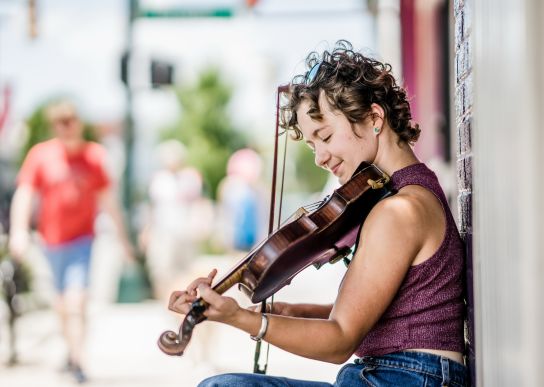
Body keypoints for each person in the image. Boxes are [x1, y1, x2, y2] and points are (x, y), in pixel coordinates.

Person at [167, 41, 467, 387]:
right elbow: (351, 314)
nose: (320, 157)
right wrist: (241, 313)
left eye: (324, 136)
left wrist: (243, 320)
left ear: (374, 118)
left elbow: (340, 339)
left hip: (406, 378)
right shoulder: (407, 191)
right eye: (312, 145)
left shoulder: (400, 210)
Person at [8, 100, 133, 383]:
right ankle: (70, 349)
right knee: (61, 304)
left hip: (82, 240)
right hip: (50, 241)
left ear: (78, 123)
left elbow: (109, 202)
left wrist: (124, 241)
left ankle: (78, 360)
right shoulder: (41, 155)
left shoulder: (94, 156)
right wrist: (18, 230)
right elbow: (25, 194)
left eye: (70, 120)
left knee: (77, 300)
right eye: (59, 122)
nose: (65, 126)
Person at [140, 139, 213, 300]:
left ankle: (182, 303)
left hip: (185, 232)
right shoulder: (157, 180)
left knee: (186, 271)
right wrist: (146, 230)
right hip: (163, 233)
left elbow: (202, 201)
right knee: (162, 271)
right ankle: (165, 302)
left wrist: (203, 223)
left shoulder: (192, 177)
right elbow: (150, 207)